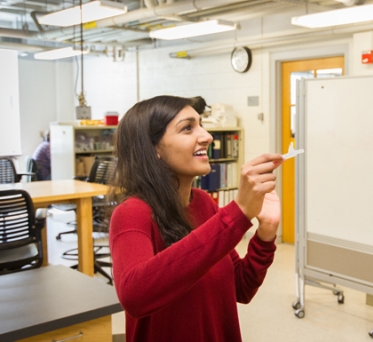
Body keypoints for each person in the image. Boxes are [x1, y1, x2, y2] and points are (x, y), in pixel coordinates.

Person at [109, 95, 284, 342]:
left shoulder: (203, 202)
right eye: (188, 128)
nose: (207, 136)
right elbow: (134, 296)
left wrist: (266, 232)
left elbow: (241, 287)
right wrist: (238, 213)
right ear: (153, 149)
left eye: (201, 124)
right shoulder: (132, 213)